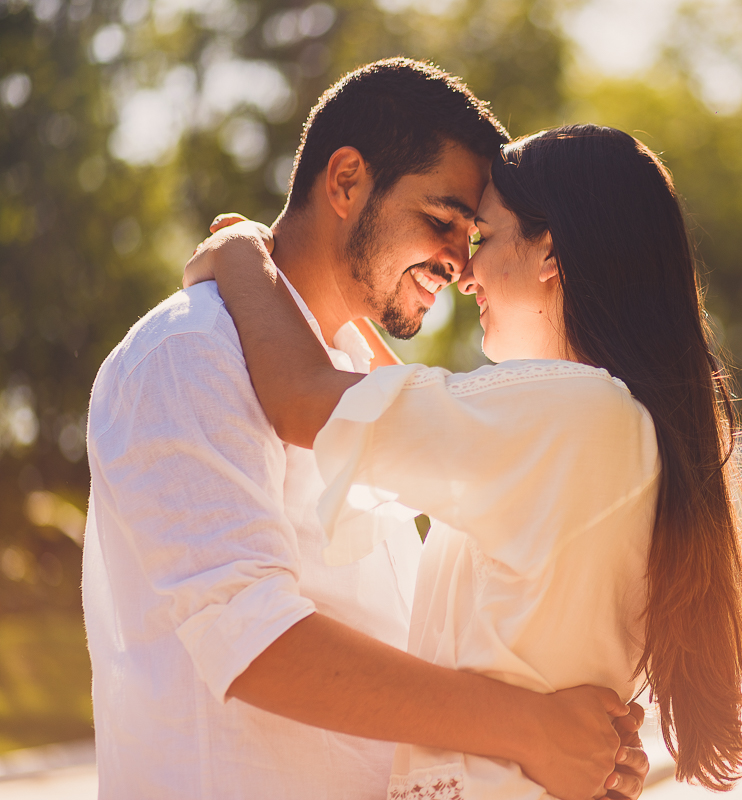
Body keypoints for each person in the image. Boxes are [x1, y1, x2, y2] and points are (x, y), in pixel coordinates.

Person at [83, 59, 647, 800]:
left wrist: (585, 747)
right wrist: (533, 728)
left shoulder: (359, 385)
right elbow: (253, 644)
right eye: (442, 221)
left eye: (472, 236)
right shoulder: (190, 350)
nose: (457, 261)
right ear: (345, 182)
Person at [184, 123, 742, 799]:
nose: (463, 272)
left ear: (549, 251)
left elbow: (306, 399)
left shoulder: (573, 415)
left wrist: (241, 254)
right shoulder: (612, 425)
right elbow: (392, 404)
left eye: (484, 238)